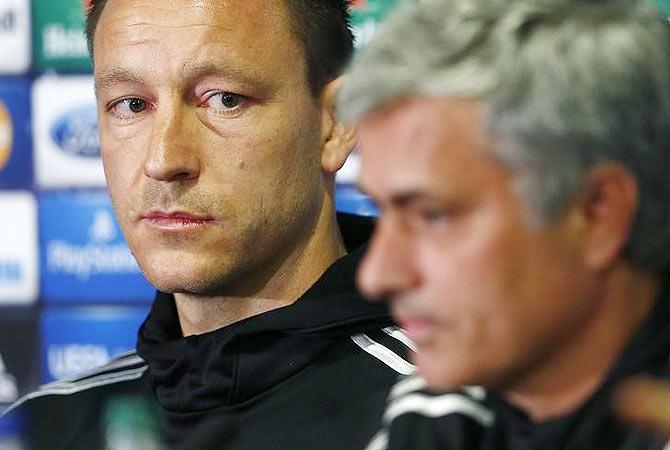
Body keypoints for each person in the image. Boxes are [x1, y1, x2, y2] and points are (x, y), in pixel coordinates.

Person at [3, 1, 414, 449]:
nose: (163, 160)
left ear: (335, 123)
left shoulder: (453, 420)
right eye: (132, 104)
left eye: (224, 99)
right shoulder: (44, 427)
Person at [336, 0, 670, 449]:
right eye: (383, 210)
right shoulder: (439, 409)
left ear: (597, 215)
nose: (377, 275)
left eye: (432, 215)